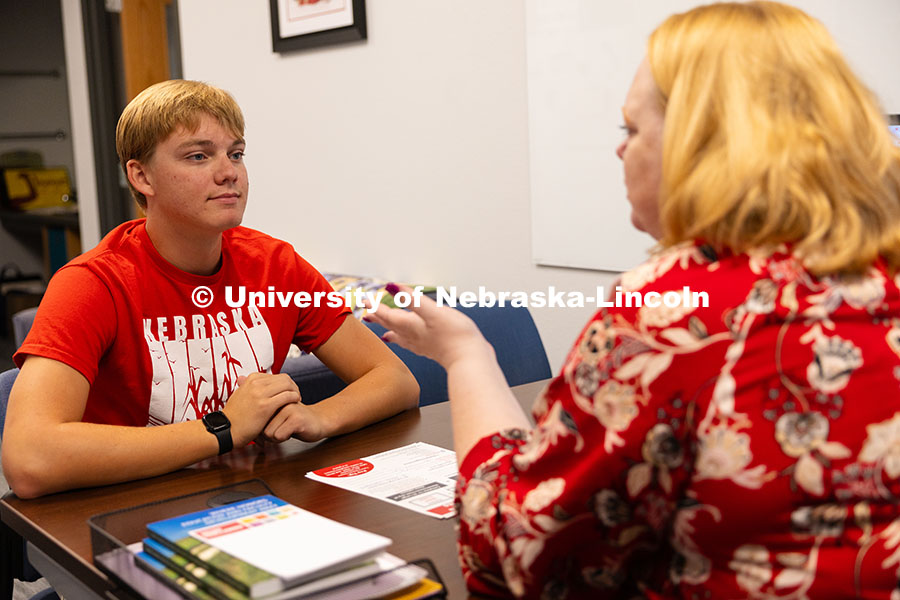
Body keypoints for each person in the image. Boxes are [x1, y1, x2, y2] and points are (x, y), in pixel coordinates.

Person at [367, 2, 900, 598]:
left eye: (632, 130)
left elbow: (519, 555)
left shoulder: (677, 310)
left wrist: (465, 356)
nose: (621, 151)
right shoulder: (882, 279)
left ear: (703, 146)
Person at [3, 80, 419, 499]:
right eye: (199, 156)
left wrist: (319, 417)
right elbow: (29, 459)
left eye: (236, 154)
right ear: (142, 176)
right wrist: (223, 428)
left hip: (252, 499)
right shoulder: (93, 283)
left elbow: (396, 380)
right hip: (132, 509)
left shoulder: (276, 265)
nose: (229, 173)